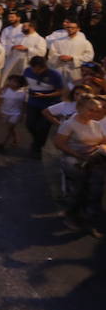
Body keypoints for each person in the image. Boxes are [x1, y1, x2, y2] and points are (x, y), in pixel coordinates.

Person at [53, 96, 105, 235]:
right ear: (79, 108)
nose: (94, 113)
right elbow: (59, 144)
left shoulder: (96, 124)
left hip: (94, 159)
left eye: (97, 110)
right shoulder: (69, 124)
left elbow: (103, 141)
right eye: (91, 110)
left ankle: (89, 221)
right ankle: (71, 216)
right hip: (74, 160)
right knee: (78, 190)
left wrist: (100, 148)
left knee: (95, 192)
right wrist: (78, 155)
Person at [24, 56, 65, 158]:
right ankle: (37, 142)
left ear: (45, 67)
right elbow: (25, 82)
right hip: (33, 102)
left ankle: (37, 147)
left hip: (49, 104)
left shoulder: (54, 75)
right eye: (34, 69)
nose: (36, 72)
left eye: (39, 69)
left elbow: (60, 91)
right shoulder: (27, 71)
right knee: (30, 124)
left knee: (43, 127)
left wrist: (45, 95)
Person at [0, 74, 29, 153]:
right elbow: (0, 100)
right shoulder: (5, 90)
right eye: (10, 81)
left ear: (20, 84)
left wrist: (22, 115)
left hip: (16, 113)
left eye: (13, 82)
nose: (10, 83)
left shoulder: (23, 93)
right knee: (10, 128)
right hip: (5, 111)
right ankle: (15, 139)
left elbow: (24, 105)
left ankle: (3, 143)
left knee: (10, 128)